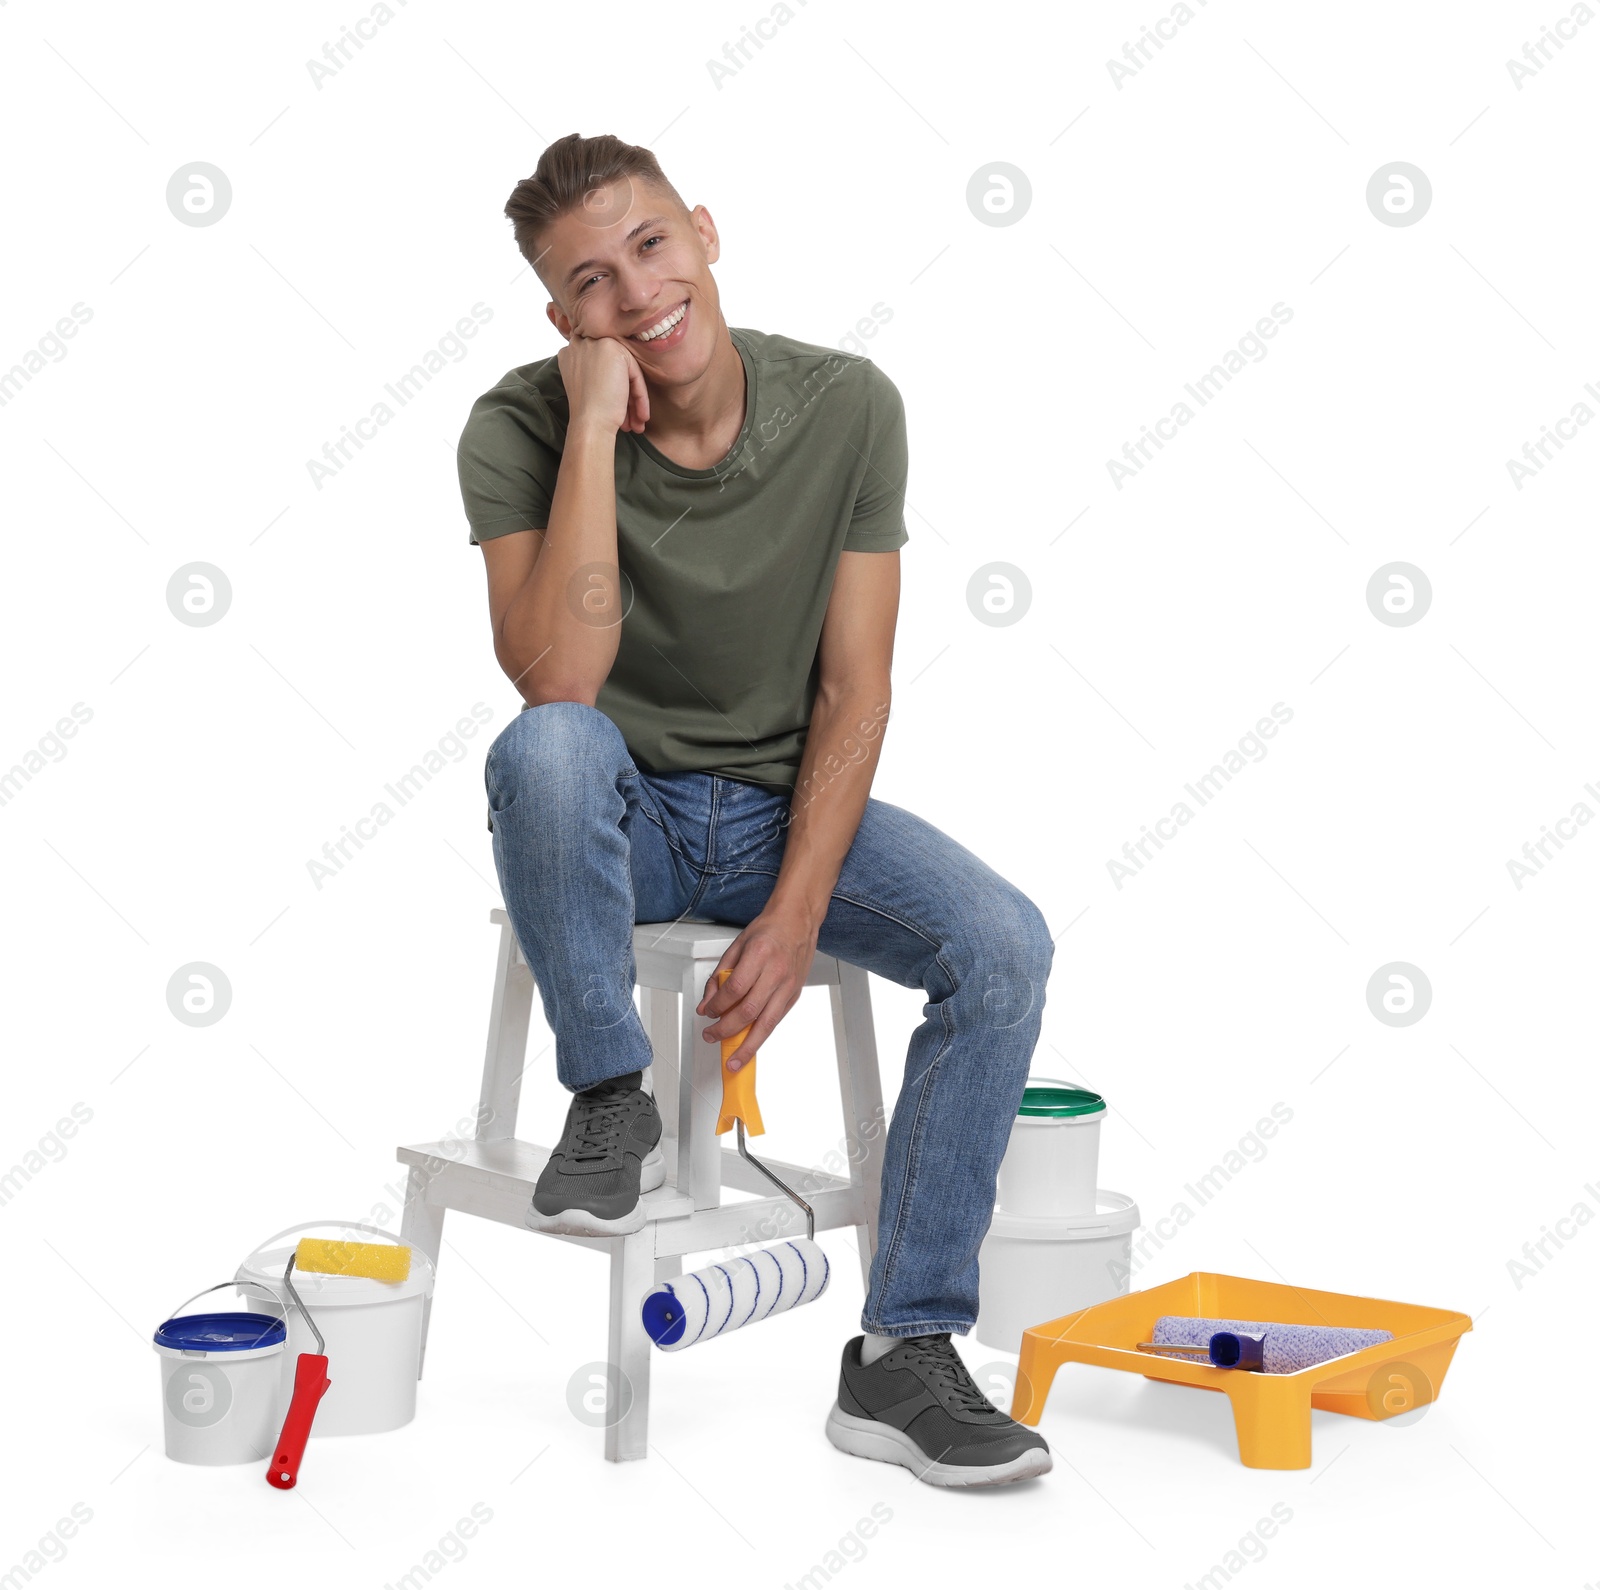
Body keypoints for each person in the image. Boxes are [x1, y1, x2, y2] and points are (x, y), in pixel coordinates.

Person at [456, 132, 1056, 1487]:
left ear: (707, 232)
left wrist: (794, 914)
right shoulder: (514, 426)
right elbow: (561, 675)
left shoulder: (849, 406)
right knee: (546, 746)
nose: (637, 292)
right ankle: (607, 1090)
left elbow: (857, 687)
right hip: (624, 815)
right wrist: (598, 442)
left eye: (652, 246)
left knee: (1004, 945)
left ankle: (903, 1351)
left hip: (788, 810)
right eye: (591, 282)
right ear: (564, 319)